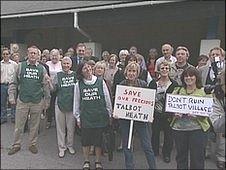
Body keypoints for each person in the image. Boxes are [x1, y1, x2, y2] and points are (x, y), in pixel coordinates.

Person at [8, 45, 51, 155]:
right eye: (30, 53)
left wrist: (47, 101)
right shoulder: (20, 66)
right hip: (22, 100)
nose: (32, 55)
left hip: (37, 101)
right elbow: (13, 83)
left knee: (34, 125)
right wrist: (12, 97)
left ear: (38, 55)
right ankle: (16, 145)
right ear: (27, 54)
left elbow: (45, 86)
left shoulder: (42, 69)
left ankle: (32, 144)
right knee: (19, 125)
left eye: (34, 53)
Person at [114, 62, 156, 169]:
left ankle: (153, 167)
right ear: (126, 72)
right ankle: (129, 166)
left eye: (134, 71)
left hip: (141, 119)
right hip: (125, 119)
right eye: (129, 71)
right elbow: (118, 101)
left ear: (137, 73)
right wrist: (117, 113)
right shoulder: (122, 85)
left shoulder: (143, 84)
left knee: (147, 145)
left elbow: (148, 102)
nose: (131, 73)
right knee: (127, 144)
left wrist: (150, 114)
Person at [73, 62, 112, 170]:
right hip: (86, 116)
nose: (88, 69)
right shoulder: (78, 84)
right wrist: (77, 117)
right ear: (81, 72)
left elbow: (107, 98)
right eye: (85, 68)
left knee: (98, 140)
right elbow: (76, 102)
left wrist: (110, 113)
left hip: (99, 116)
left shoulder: (100, 82)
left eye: (89, 67)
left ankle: (98, 161)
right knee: (86, 140)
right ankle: (86, 160)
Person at [170, 66, 210, 169]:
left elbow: (208, 112)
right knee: (181, 157)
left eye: (191, 75)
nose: (189, 78)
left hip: (197, 130)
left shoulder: (204, 92)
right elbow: (170, 108)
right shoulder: (177, 91)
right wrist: (174, 113)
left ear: (196, 77)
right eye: (186, 76)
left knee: (197, 159)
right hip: (179, 129)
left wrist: (197, 114)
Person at [148, 61, 178, 163]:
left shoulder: (174, 84)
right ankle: (155, 151)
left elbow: (177, 100)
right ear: (159, 70)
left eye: (166, 68)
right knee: (155, 133)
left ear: (169, 70)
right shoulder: (153, 83)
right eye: (162, 68)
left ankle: (166, 154)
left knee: (169, 135)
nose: (164, 70)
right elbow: (148, 99)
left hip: (169, 114)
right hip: (156, 113)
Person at [50, 57, 77, 158]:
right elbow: (53, 90)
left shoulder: (75, 75)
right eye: (64, 63)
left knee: (71, 128)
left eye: (67, 64)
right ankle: (61, 147)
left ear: (70, 65)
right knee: (60, 128)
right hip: (59, 104)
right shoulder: (58, 75)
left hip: (71, 105)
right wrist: (49, 82)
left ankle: (70, 145)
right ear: (61, 64)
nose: (66, 65)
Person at [209, 69, 225, 170]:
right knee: (222, 135)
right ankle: (221, 158)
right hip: (221, 115)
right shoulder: (217, 91)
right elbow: (216, 122)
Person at [46, 49, 62, 129]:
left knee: (57, 104)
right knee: (50, 105)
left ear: (59, 56)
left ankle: (58, 121)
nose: (54, 57)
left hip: (59, 87)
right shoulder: (47, 64)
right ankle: (49, 121)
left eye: (56, 55)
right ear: (50, 56)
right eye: (52, 55)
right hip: (49, 87)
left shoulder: (62, 64)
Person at [1, 47, 18, 124]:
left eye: (7, 54)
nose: (5, 55)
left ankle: (13, 117)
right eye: (4, 54)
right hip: (2, 85)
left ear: (9, 55)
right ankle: (3, 117)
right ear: (2, 55)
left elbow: (17, 75)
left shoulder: (14, 64)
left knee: (13, 102)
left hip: (12, 85)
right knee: (2, 102)